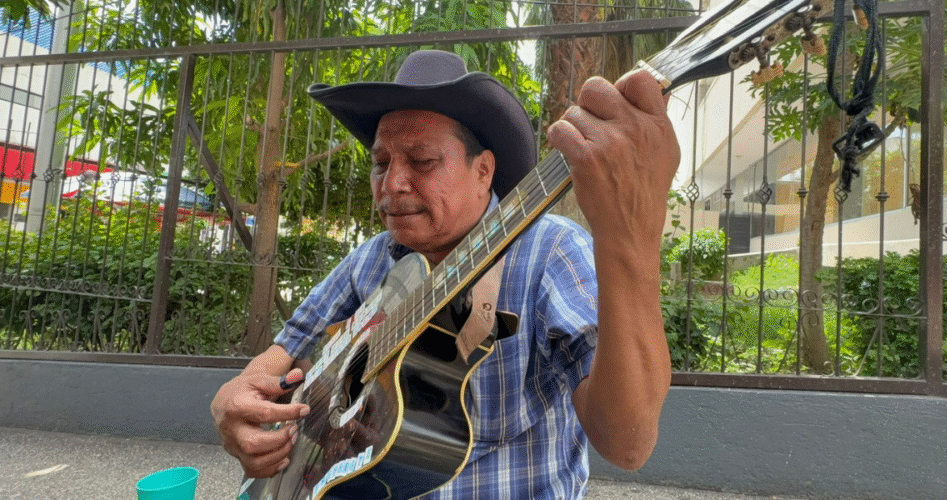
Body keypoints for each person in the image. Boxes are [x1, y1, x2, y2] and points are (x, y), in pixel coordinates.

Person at [211, 49, 680, 499]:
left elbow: (628, 444)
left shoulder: (549, 251)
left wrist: (629, 242)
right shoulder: (374, 258)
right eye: (380, 163)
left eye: (422, 161)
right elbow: (282, 353)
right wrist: (233, 401)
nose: (392, 183)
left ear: (483, 171)